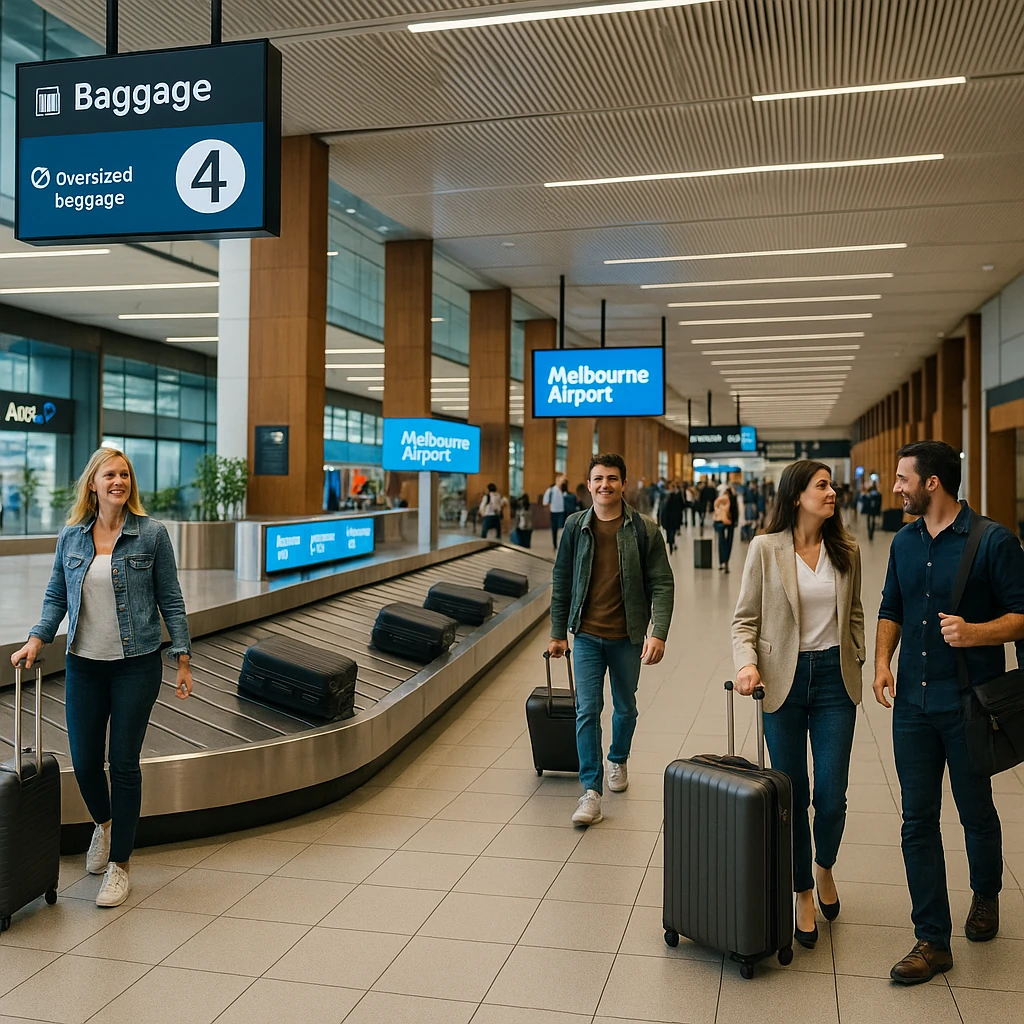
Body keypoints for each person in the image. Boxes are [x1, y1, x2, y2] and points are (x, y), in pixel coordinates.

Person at [10, 447, 193, 909]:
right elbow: (56, 596)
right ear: (92, 483)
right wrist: (38, 638)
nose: (119, 481)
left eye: (125, 474)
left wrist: (183, 658)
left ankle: (121, 865)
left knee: (124, 763)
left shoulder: (151, 535)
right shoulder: (72, 537)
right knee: (86, 761)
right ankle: (106, 827)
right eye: (109, 474)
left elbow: (170, 598)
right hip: (84, 664)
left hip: (137, 663)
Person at [873, 440, 1024, 984]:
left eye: (902, 478)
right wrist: (882, 661)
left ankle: (986, 895)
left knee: (975, 810)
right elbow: (892, 605)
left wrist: (977, 632)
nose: (895, 486)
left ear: (931, 483)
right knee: (917, 820)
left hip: (969, 704)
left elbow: (1023, 615)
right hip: (911, 703)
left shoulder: (993, 542)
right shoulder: (904, 543)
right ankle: (931, 939)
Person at [732, 461, 864, 950]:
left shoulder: (846, 550)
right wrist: (747, 664)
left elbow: (855, 614)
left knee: (831, 793)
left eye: (831, 486)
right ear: (796, 496)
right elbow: (744, 620)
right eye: (822, 486)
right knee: (789, 794)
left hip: (835, 681)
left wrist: (858, 653)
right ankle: (802, 890)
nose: (832, 493)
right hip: (781, 683)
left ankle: (823, 865)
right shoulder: (765, 549)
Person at [548, 453, 674, 827]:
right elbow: (562, 581)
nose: (605, 485)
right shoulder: (574, 527)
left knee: (625, 707)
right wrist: (558, 632)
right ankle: (591, 791)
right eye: (598, 478)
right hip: (586, 635)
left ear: (623, 484)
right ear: (588, 485)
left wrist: (659, 632)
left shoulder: (644, 530)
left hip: (628, 636)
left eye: (612, 478)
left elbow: (662, 583)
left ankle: (618, 758)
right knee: (587, 710)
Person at [713, 484, 737, 572]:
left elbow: (716, 510)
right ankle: (726, 561)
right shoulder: (732, 498)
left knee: (721, 541)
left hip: (720, 522)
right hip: (730, 522)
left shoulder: (720, 499)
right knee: (729, 542)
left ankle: (721, 561)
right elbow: (735, 511)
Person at [659, 481, 684, 554]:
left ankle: (671, 543)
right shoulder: (672, 496)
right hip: (671, 517)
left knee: (670, 531)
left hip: (669, 518)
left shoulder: (667, 497)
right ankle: (671, 543)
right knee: (671, 531)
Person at [543, 473, 566, 550]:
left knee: (561, 528)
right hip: (554, 511)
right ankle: (555, 544)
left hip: (562, 511)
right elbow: (545, 501)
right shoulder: (551, 490)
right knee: (554, 528)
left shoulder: (564, 491)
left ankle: (560, 544)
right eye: (560, 480)